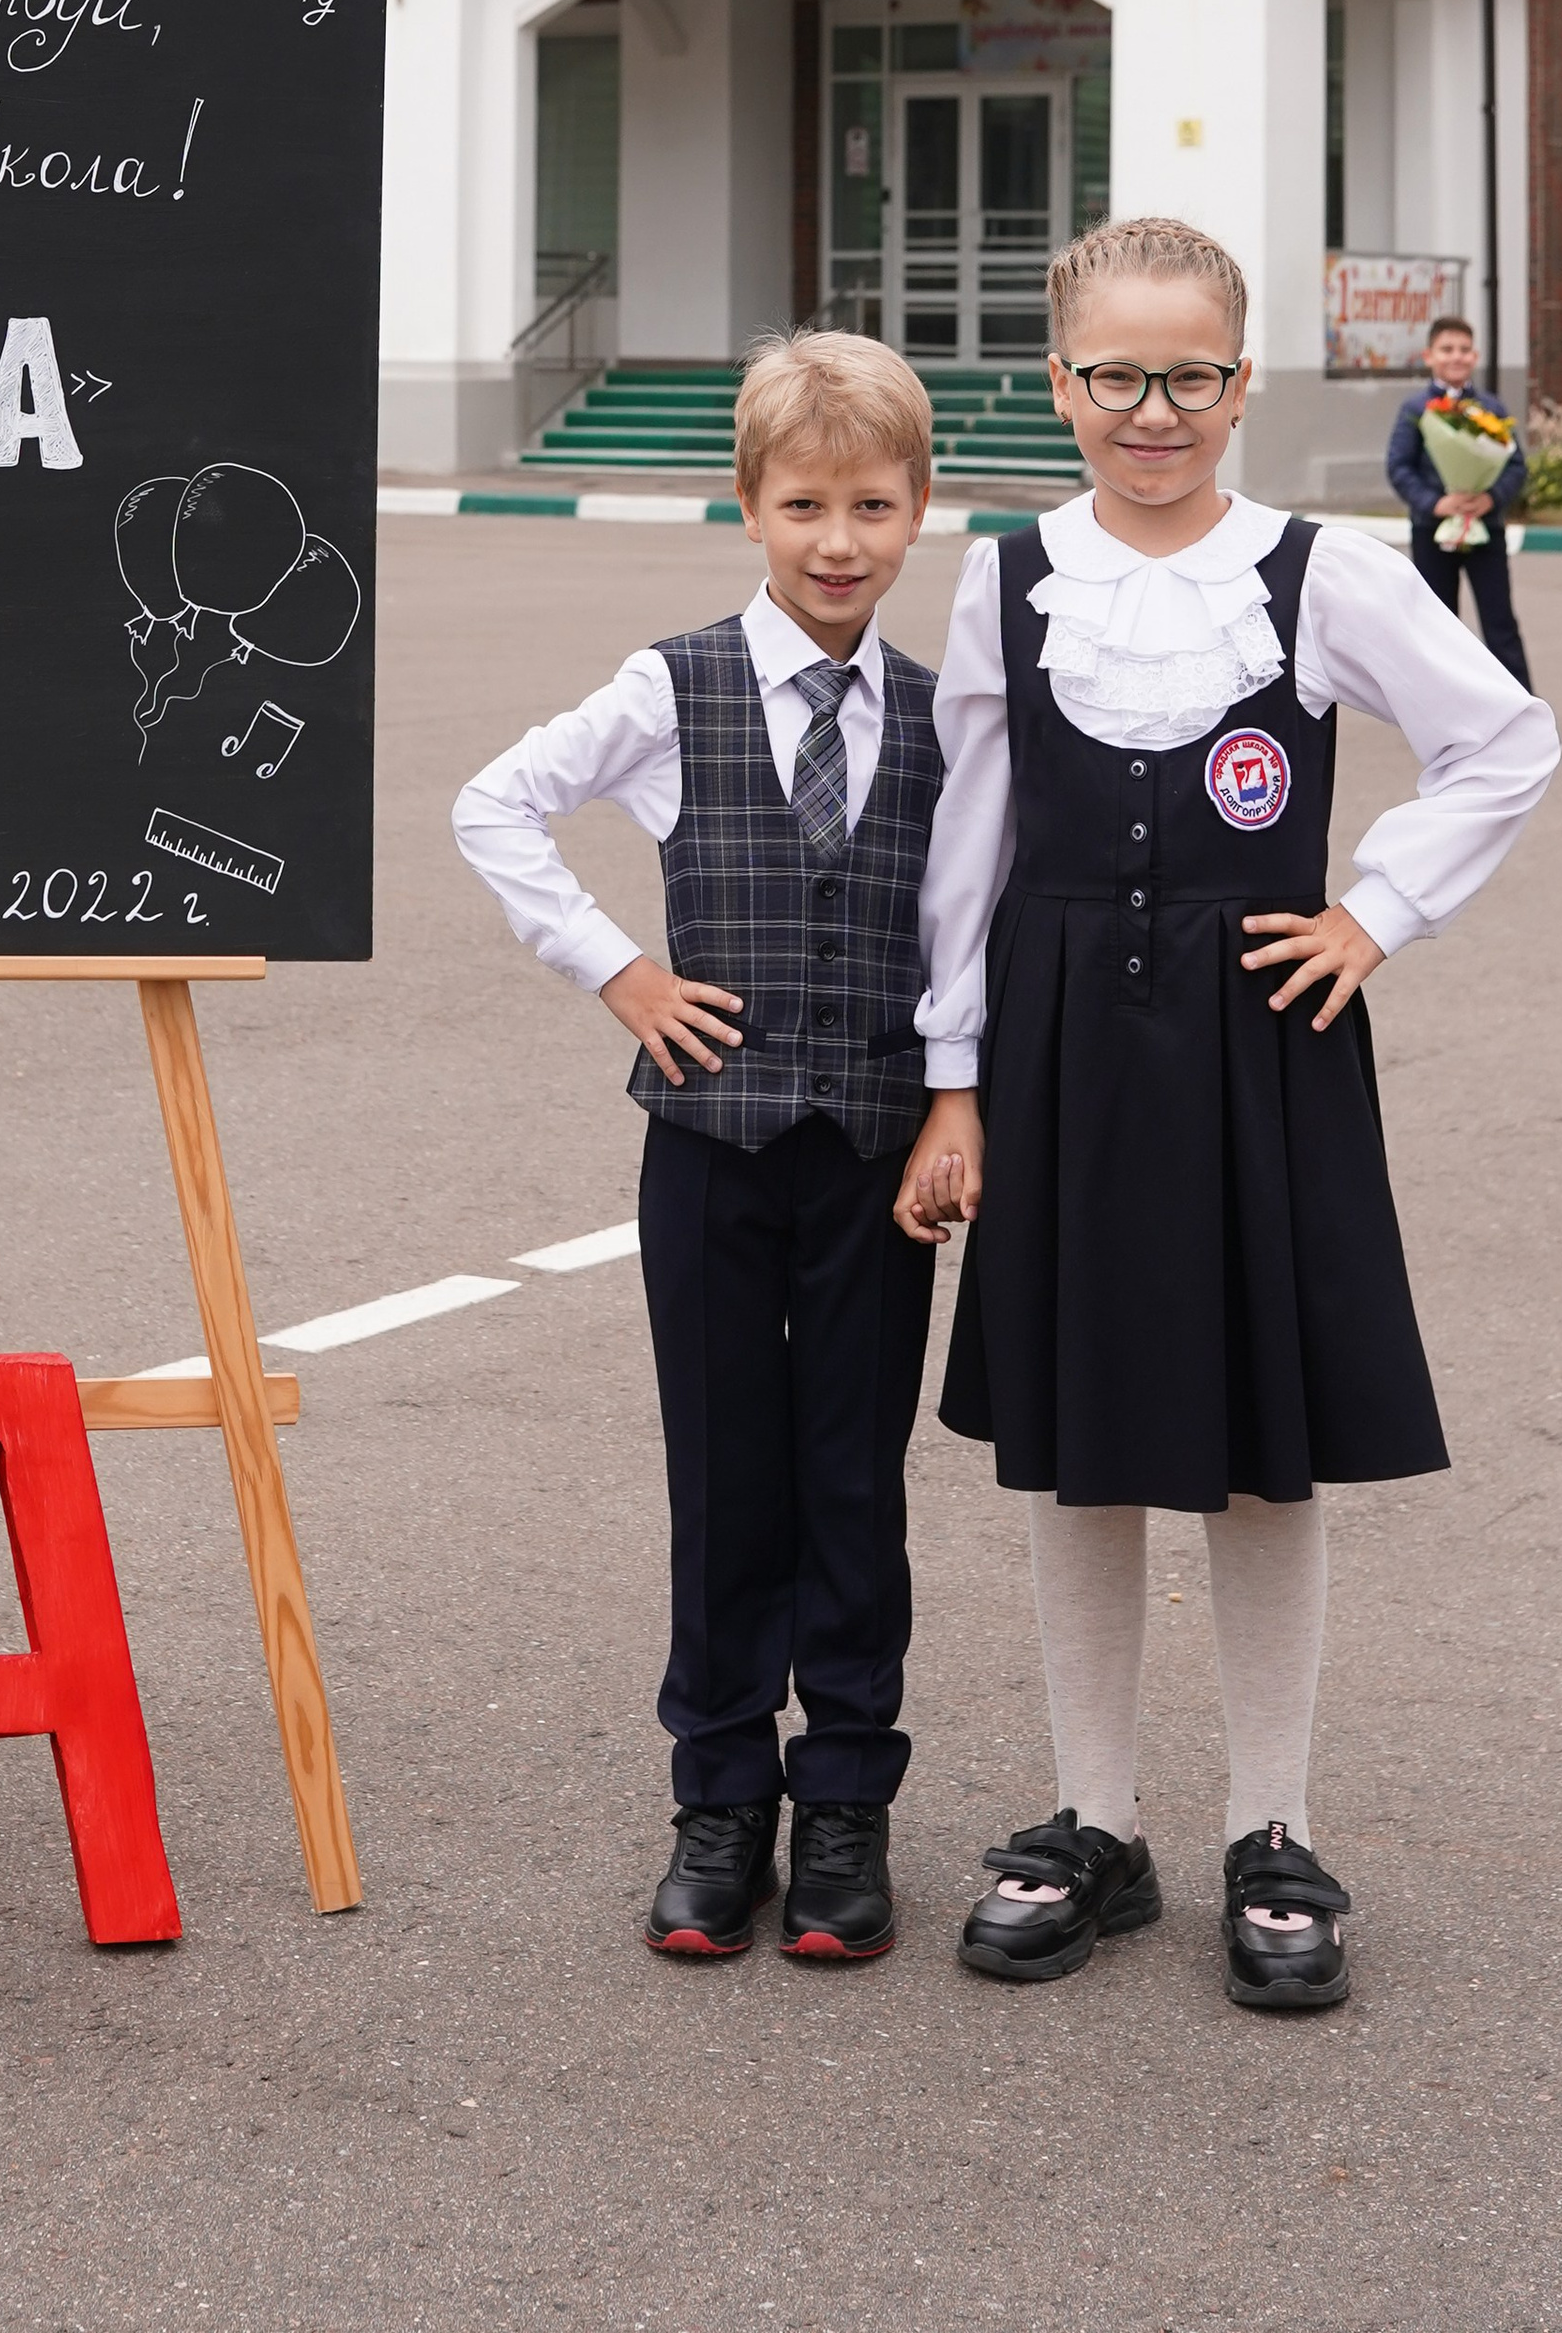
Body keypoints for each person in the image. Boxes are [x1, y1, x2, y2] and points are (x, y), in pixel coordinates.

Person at [895, 218, 1557, 2014]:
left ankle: (1275, 1824)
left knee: (1263, 1443)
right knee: (1076, 1427)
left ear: (1243, 381)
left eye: (1190, 374)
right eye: (1116, 375)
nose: (1154, 409)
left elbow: (1503, 740)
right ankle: (1094, 1818)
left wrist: (1375, 912)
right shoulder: (1008, 574)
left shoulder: (1319, 573)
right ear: (1060, 385)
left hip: (1261, 1039)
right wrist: (953, 1076)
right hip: (1054, 1055)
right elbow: (968, 846)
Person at [453, 332, 945, 1968]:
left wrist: (962, 1104)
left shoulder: (950, 720)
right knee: (728, 1474)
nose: (836, 540)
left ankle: (851, 1803)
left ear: (917, 511)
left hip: (875, 1157)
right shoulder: (675, 687)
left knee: (853, 1482)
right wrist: (620, 970)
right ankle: (722, 1798)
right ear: (749, 505)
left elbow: (971, 930)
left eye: (871, 505)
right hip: (714, 1155)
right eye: (803, 503)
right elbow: (495, 808)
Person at [1387, 314, 1532, 691]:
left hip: (1486, 529)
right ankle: (1443, 710)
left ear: (1475, 355)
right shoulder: (1416, 410)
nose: (1457, 357)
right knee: (1438, 625)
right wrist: (1435, 504)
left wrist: (1490, 498)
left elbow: (1515, 465)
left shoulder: (1492, 409)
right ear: (1429, 356)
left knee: (1499, 621)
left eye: (1464, 350)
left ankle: (1520, 707)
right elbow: (1399, 466)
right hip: (1433, 530)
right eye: (1447, 349)